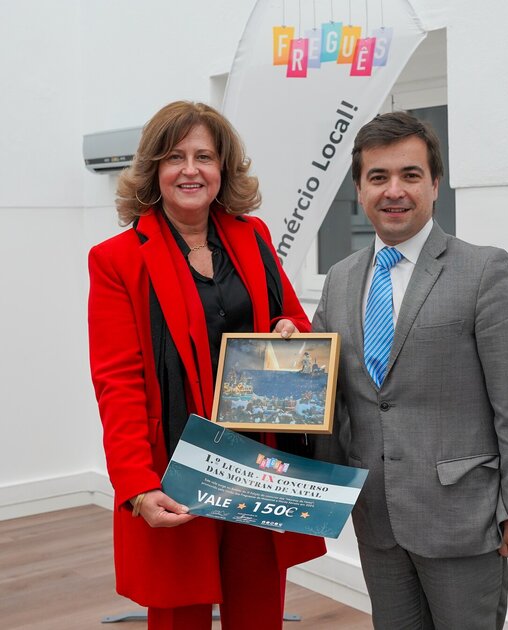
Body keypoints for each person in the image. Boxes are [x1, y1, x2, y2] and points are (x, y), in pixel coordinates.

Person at [88, 101, 326, 630]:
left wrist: (290, 329)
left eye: (204, 156)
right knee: (180, 615)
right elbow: (117, 382)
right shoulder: (117, 259)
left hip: (258, 458)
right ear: (154, 169)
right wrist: (137, 485)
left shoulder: (252, 235)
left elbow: (291, 316)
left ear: (223, 168)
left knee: (259, 610)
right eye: (175, 157)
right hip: (175, 467)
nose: (190, 170)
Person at [311, 111, 508, 629]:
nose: (394, 190)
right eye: (378, 177)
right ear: (359, 189)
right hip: (376, 517)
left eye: (410, 175)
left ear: (435, 184)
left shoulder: (484, 270)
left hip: (463, 517)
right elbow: (327, 394)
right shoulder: (340, 279)